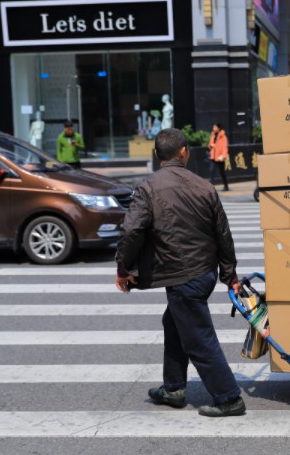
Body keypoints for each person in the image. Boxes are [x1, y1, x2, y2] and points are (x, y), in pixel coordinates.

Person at [115, 128, 245, 418]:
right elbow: (223, 235)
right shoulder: (204, 185)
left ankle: (229, 397)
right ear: (184, 151)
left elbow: (132, 230)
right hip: (203, 273)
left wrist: (124, 268)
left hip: (181, 276)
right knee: (174, 321)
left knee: (197, 336)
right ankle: (173, 387)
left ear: (156, 154)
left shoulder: (148, 187)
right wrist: (230, 276)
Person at [207, 123, 229, 191]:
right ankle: (210, 187)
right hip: (213, 156)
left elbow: (225, 147)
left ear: (218, 128)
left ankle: (226, 186)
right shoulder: (213, 135)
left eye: (215, 127)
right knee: (211, 171)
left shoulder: (223, 136)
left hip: (220, 157)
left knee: (222, 172)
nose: (213, 128)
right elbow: (209, 145)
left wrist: (224, 156)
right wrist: (211, 146)